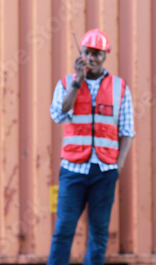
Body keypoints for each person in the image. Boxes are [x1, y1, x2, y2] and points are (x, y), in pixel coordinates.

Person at [47, 28, 135, 265]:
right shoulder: (66, 82)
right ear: (81, 53)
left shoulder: (120, 87)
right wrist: (77, 81)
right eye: (88, 52)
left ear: (106, 55)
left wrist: (118, 166)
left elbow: (127, 131)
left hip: (104, 172)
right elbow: (58, 114)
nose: (92, 58)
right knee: (63, 230)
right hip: (73, 170)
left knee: (98, 234)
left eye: (97, 53)